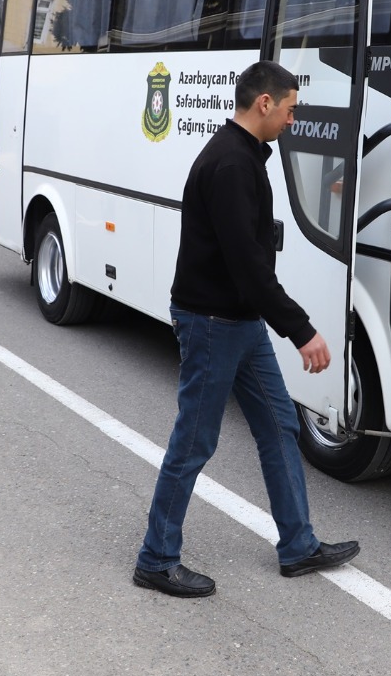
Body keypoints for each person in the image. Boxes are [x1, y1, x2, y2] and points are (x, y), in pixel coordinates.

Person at [134, 60, 360, 599]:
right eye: (289, 109)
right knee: (194, 442)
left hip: (239, 320)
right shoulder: (231, 164)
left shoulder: (243, 156)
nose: (291, 119)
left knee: (280, 425)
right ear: (265, 103)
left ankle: (298, 545)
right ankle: (156, 558)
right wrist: (302, 330)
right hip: (213, 322)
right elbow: (247, 265)